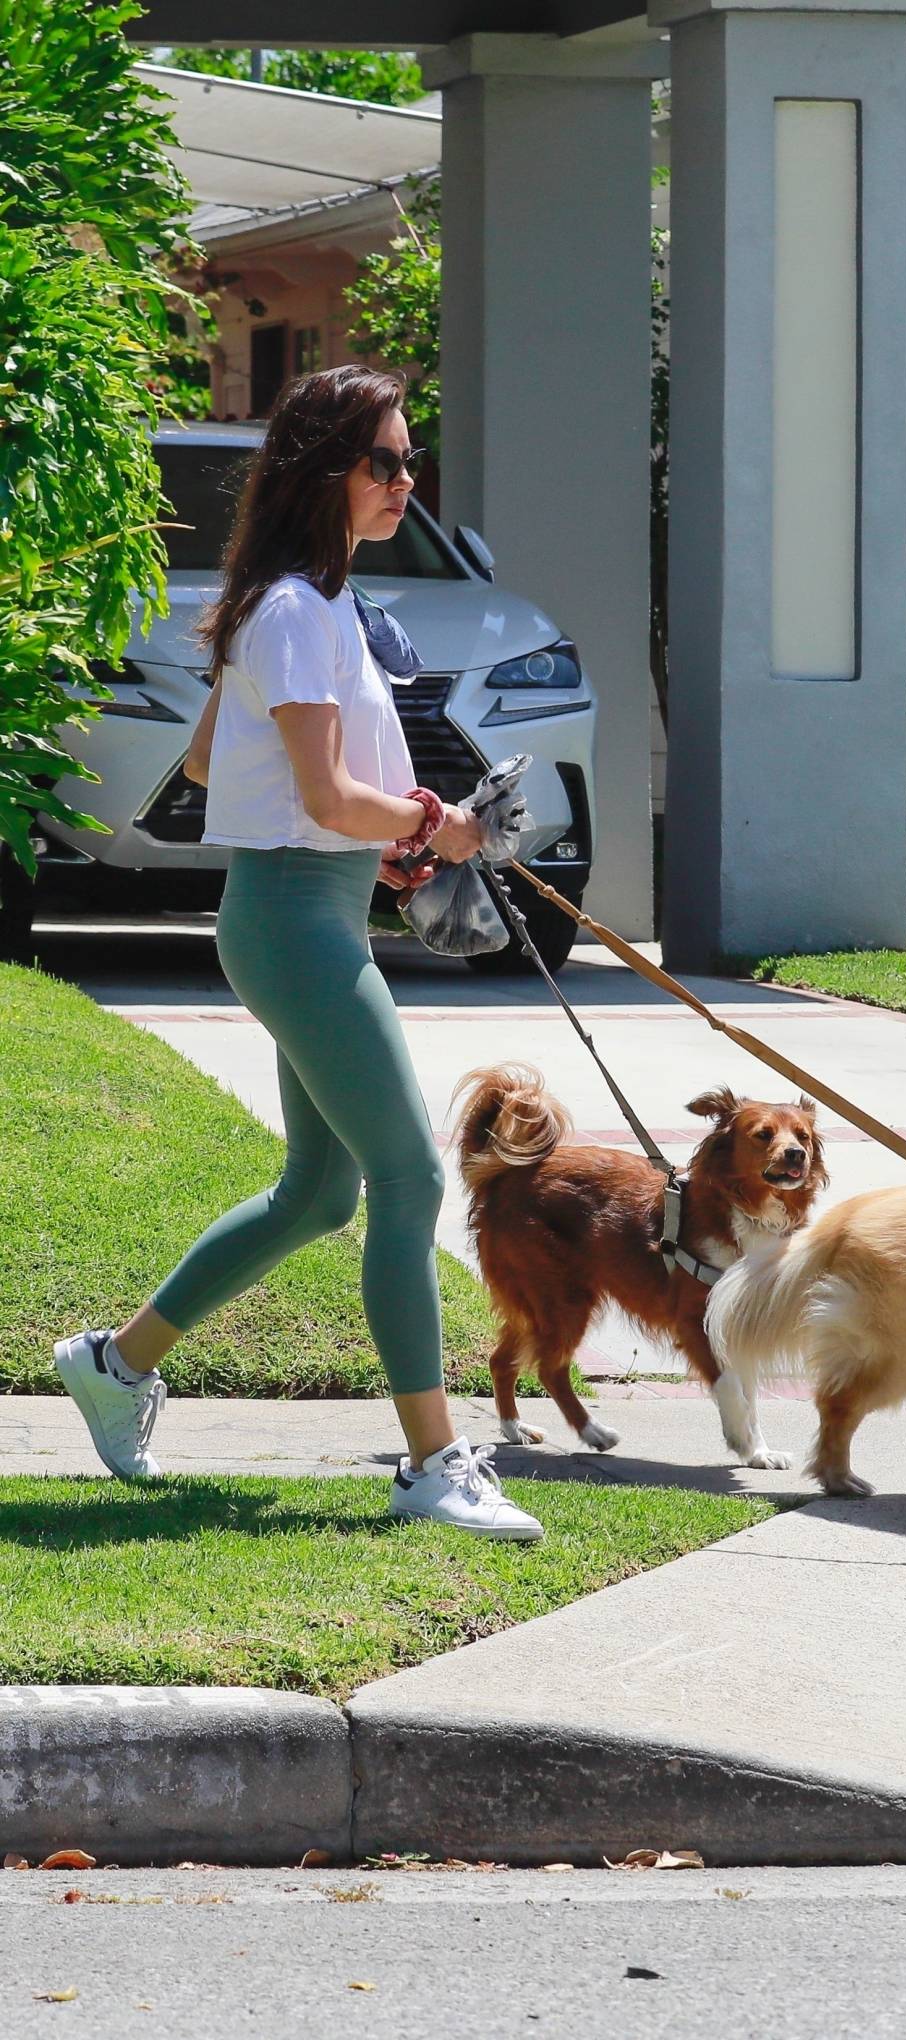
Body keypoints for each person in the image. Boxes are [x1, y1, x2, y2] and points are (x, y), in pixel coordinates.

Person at [52, 365, 543, 1543]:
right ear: (322, 469)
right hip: (293, 928)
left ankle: (116, 1366)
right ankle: (432, 1463)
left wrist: (368, 845)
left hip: (308, 907)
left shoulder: (299, 608)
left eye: (410, 463)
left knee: (323, 1192)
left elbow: (230, 768)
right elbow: (325, 787)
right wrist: (437, 826)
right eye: (383, 462)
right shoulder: (291, 613)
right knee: (410, 1178)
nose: (403, 483)